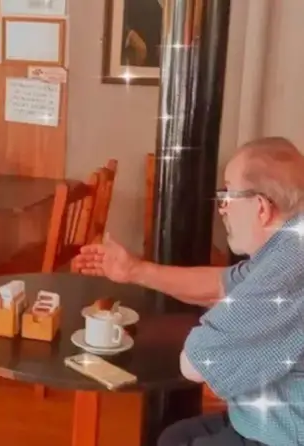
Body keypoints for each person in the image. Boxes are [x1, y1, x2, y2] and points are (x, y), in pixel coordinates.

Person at [74, 137, 304, 446]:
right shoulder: (289, 244)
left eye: (228, 194)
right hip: (261, 421)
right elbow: (219, 286)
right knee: (173, 436)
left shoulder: (289, 265)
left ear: (261, 207)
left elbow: (196, 363)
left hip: (283, 436)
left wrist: (220, 321)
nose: (222, 208)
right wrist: (133, 270)